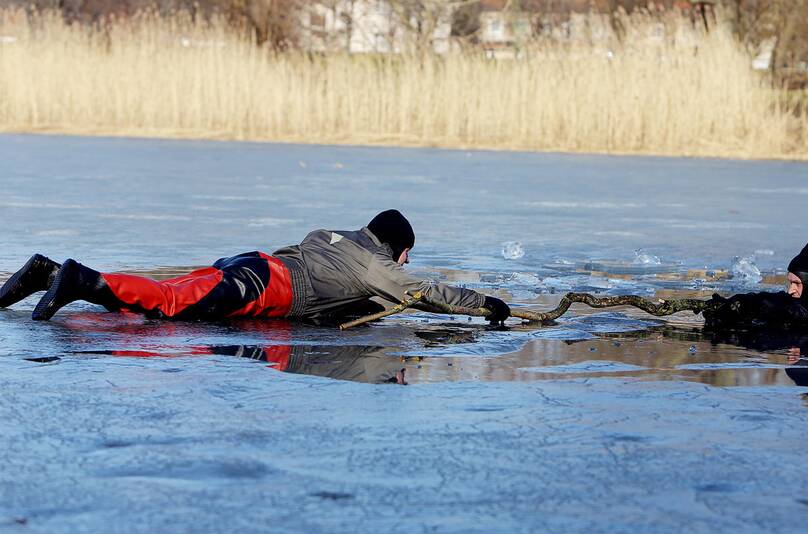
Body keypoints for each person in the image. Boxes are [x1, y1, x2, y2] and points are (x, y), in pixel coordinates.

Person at [0, 209, 512, 326]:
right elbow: (421, 291)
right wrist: (485, 304)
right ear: (396, 246)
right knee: (172, 303)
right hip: (267, 284)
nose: (403, 264)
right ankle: (80, 278)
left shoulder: (335, 238)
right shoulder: (373, 261)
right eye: (405, 254)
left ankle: (46, 275)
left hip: (253, 265)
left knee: (161, 297)